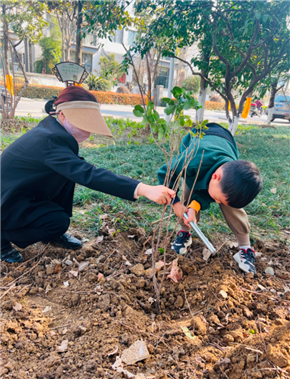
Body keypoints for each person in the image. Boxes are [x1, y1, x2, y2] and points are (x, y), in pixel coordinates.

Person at [1, 86, 174, 263]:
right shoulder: (49, 139)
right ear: (62, 115)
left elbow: (78, 170)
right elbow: (88, 174)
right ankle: (2, 238)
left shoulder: (53, 130)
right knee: (57, 222)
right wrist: (143, 189)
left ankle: (51, 235)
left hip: (22, 191)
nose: (88, 131)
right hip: (6, 200)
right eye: (82, 121)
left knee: (69, 173)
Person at [158, 122, 263, 274]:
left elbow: (213, 193)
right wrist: (175, 203)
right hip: (198, 139)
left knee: (230, 203)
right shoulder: (191, 160)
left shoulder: (228, 173)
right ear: (215, 176)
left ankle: (245, 248)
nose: (216, 202)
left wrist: (196, 206)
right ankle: (184, 233)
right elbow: (165, 173)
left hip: (226, 142)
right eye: (217, 199)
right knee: (189, 191)